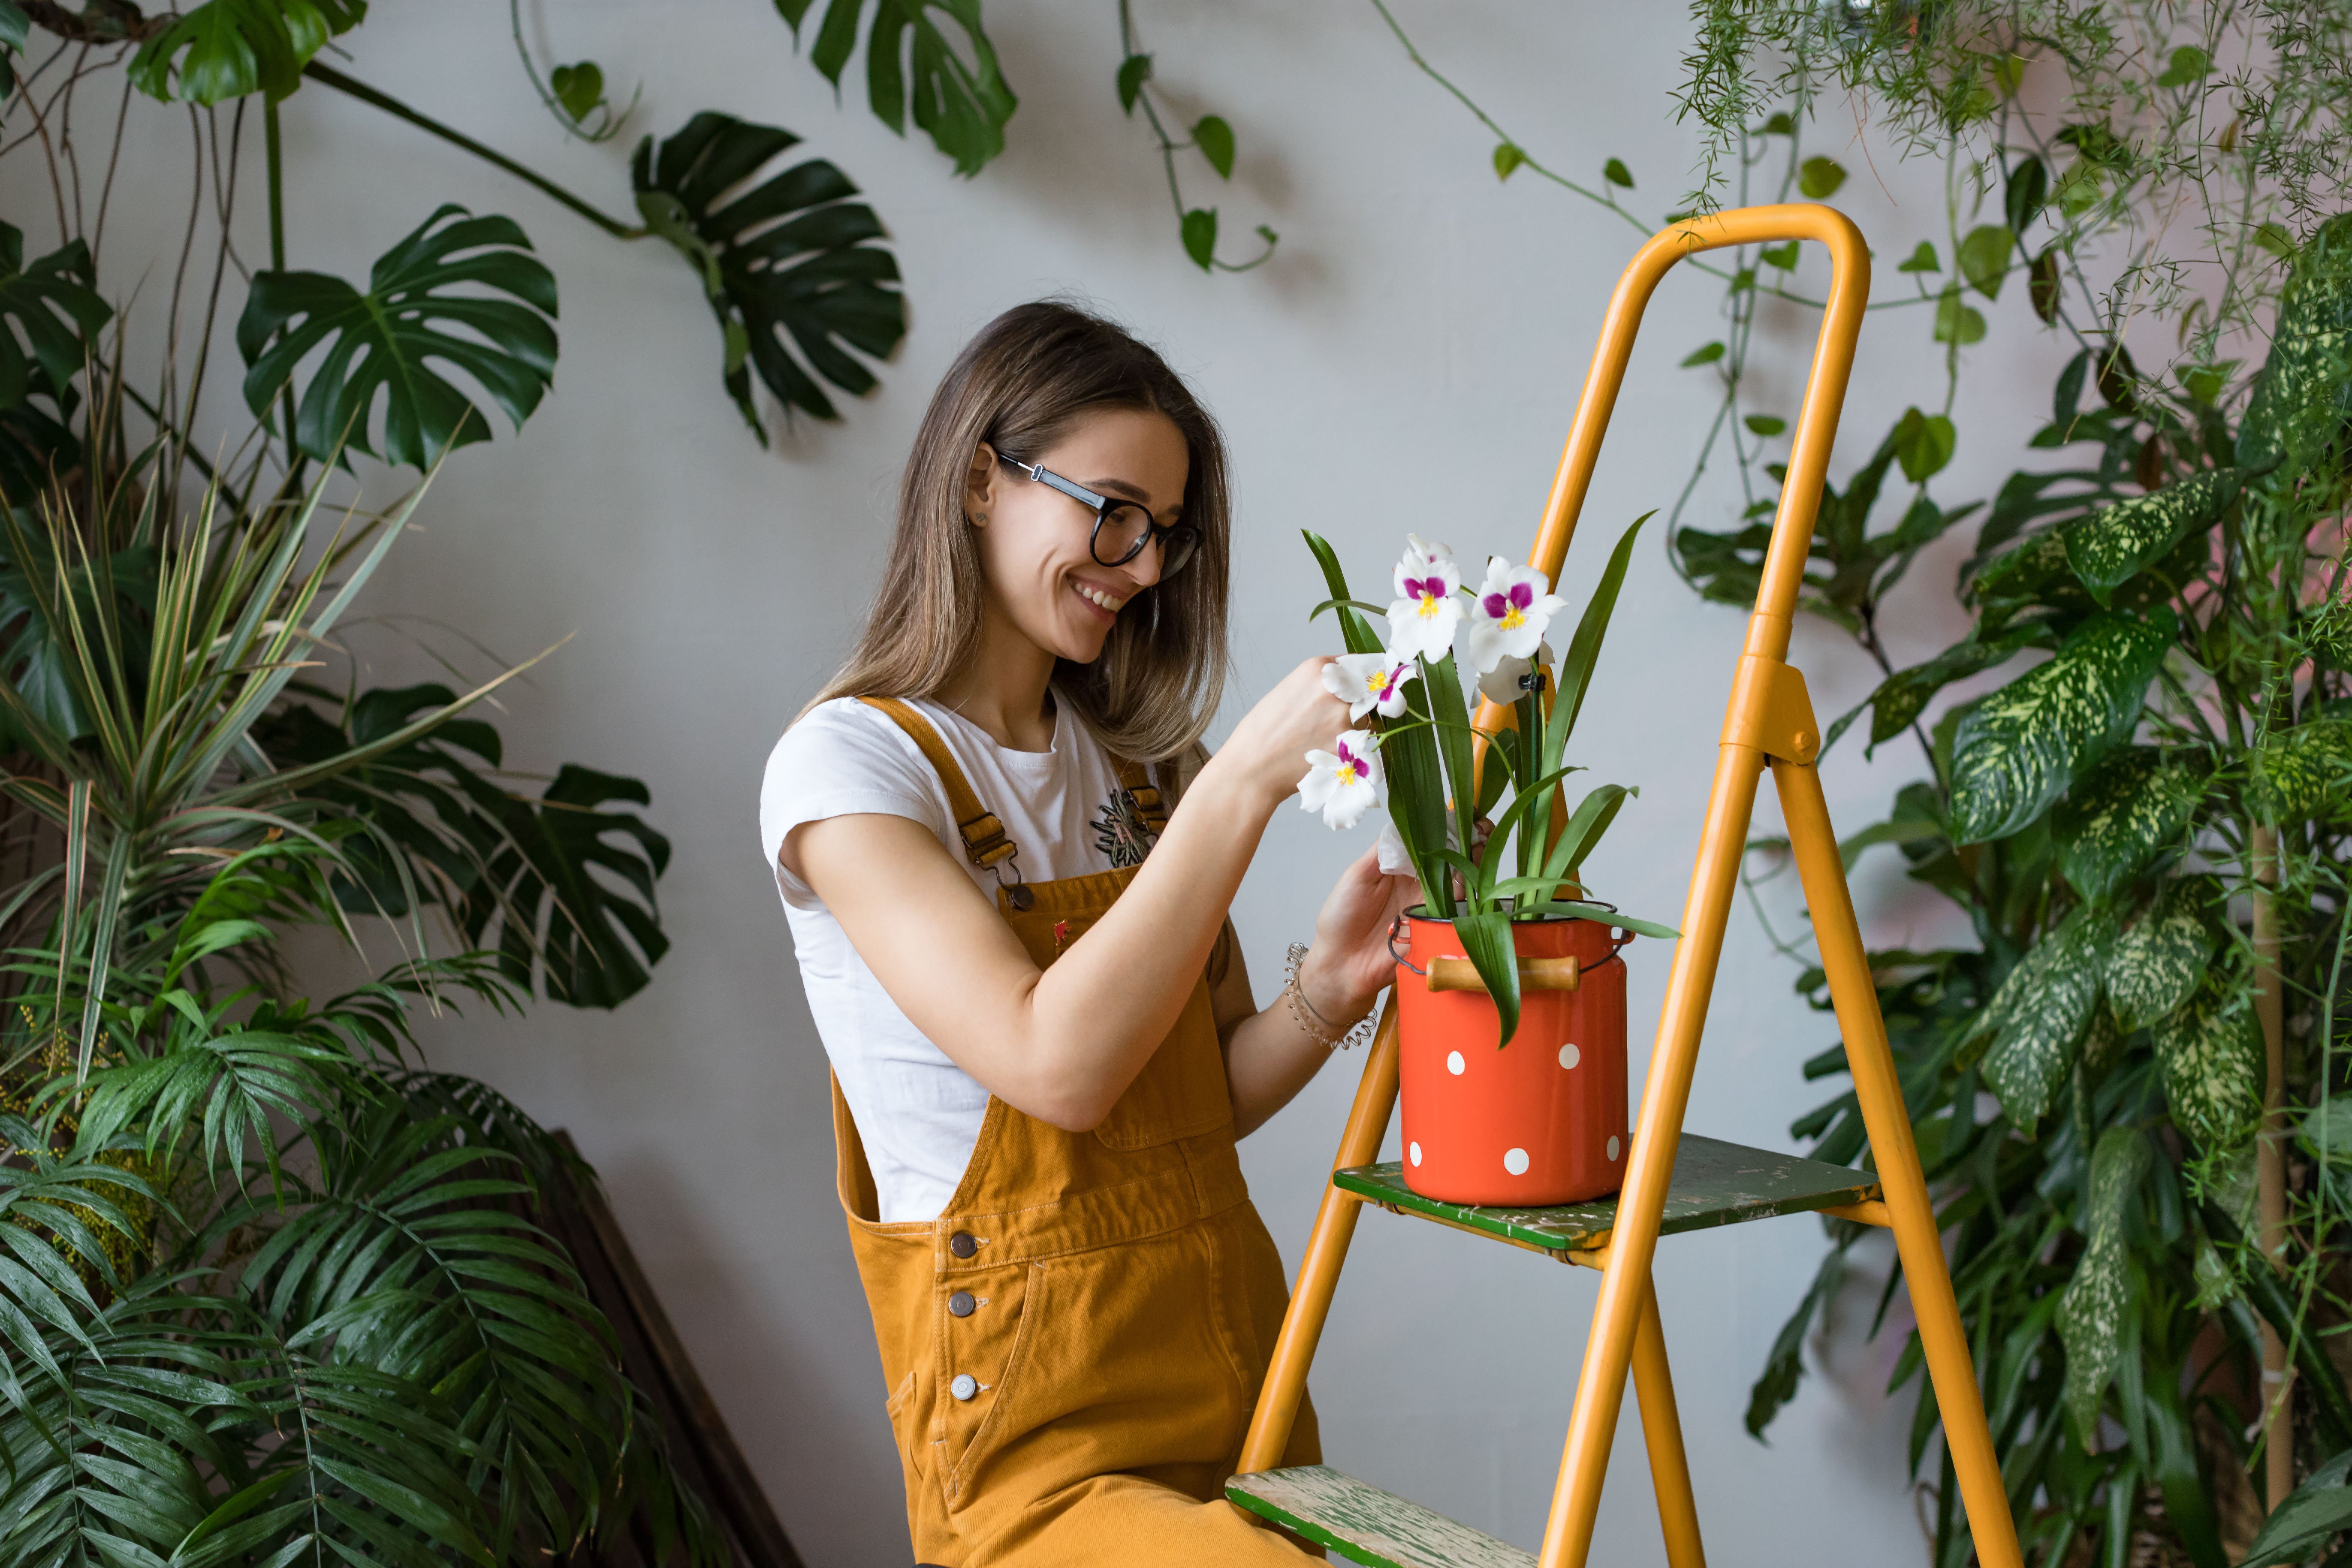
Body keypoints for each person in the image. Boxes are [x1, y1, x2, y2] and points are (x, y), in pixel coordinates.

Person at [760, 300, 1416, 1565]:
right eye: (1115, 511)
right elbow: (1055, 1068)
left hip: (1231, 1367)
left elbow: (1194, 1102)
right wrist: (1241, 792)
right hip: (1034, 1440)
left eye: (1166, 533)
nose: (1145, 565)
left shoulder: (1145, 767)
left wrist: (1325, 993)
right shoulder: (847, 769)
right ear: (979, 481)